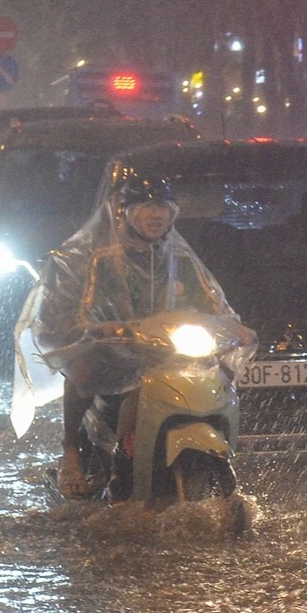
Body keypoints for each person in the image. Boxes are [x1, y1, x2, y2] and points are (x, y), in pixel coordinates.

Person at [35, 173, 238, 499]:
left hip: (166, 349)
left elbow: (213, 305)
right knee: (83, 370)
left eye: (163, 206)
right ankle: (73, 450)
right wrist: (99, 327)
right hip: (116, 349)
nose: (156, 214)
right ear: (125, 212)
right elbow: (71, 309)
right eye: (146, 205)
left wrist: (232, 326)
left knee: (222, 371)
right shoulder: (96, 259)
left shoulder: (181, 259)